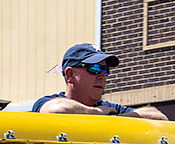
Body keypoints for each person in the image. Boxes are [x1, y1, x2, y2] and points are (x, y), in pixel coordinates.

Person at [29, 45, 167, 120]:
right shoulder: (46, 103)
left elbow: (159, 117)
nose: (102, 76)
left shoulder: (110, 110)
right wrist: (97, 113)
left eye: (105, 70)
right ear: (70, 75)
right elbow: (56, 110)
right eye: (94, 68)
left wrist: (114, 119)